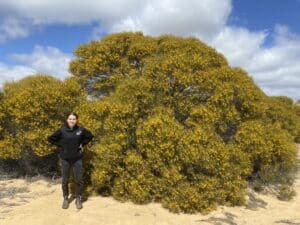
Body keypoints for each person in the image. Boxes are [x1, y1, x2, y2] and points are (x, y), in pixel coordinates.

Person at [47, 112, 94, 209]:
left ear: (76, 120)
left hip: (77, 158)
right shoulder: (62, 130)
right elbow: (51, 138)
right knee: (65, 180)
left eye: (74, 119)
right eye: (70, 119)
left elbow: (90, 136)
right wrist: (61, 145)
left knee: (79, 180)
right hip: (65, 159)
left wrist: (82, 144)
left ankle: (78, 198)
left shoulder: (80, 130)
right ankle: (65, 198)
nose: (72, 120)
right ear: (67, 120)